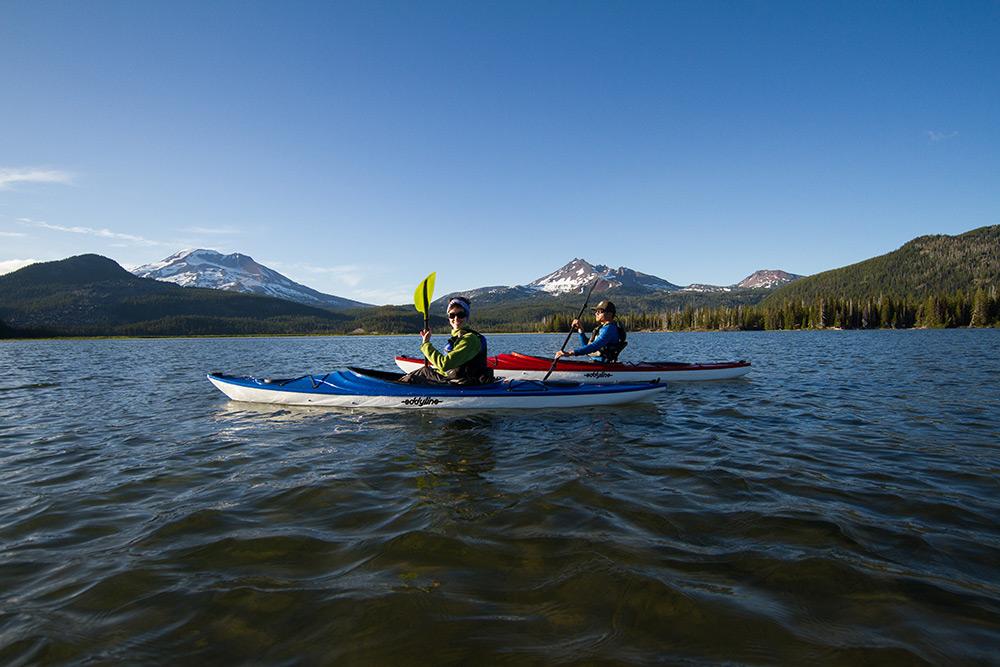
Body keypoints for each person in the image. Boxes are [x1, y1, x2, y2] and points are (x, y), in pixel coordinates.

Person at [401, 296, 495, 385]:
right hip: (457, 380)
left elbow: (444, 364)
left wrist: (426, 345)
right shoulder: (459, 337)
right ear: (449, 318)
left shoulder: (470, 339)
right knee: (426, 370)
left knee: (423, 372)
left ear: (466, 317)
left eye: (460, 315)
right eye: (452, 315)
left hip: (464, 385)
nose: (456, 318)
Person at [554, 300, 628, 363]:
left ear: (610, 314)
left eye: (600, 311)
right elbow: (587, 346)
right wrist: (580, 330)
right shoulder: (603, 328)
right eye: (596, 311)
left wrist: (570, 353)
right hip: (597, 364)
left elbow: (594, 346)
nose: (596, 313)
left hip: (604, 366)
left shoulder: (609, 329)